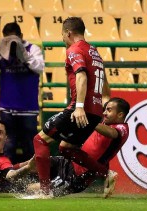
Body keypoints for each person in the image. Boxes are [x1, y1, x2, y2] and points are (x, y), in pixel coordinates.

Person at [32, 17, 111, 197]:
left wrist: (80, 107)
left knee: (40, 140)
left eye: (62, 35)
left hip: (80, 109)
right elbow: (105, 83)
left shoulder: (74, 50)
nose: (62, 39)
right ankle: (106, 173)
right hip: (96, 112)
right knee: (66, 148)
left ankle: (45, 192)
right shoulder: (95, 52)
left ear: (68, 33)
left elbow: (81, 76)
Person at [23, 97, 130, 198]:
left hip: (79, 176)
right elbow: (106, 95)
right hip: (69, 161)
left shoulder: (122, 128)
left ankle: (16, 187)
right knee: (34, 163)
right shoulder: (104, 121)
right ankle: (9, 174)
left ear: (120, 115)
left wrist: (91, 121)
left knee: (32, 189)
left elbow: (112, 133)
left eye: (109, 110)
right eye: (105, 109)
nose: (104, 113)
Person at [0, 22, 45, 164]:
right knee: (8, 146)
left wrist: (23, 54)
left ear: (21, 36)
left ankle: (32, 177)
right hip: (7, 107)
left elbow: (39, 68)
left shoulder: (32, 49)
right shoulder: (1, 50)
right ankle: (5, 176)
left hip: (27, 108)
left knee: (29, 146)